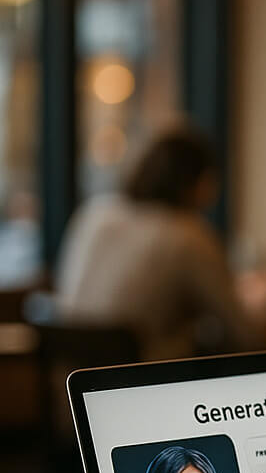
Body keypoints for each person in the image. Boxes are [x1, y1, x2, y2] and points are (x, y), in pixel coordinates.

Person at [55, 125, 254, 360]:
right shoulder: (185, 234)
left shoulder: (94, 212)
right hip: (145, 382)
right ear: (198, 183)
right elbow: (244, 332)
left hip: (71, 380)